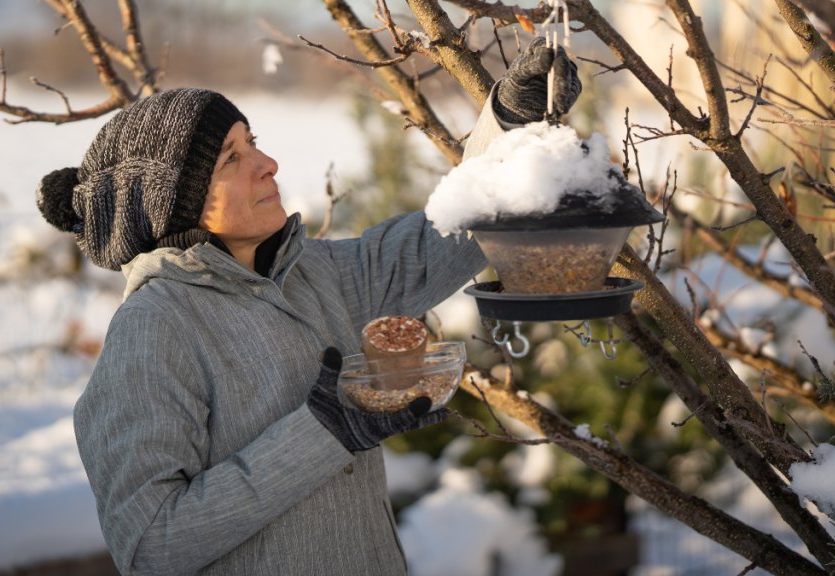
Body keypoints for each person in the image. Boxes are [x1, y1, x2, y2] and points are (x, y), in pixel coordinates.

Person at [36, 37, 580, 576]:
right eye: (232, 159)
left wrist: (513, 125)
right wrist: (326, 430)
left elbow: (440, 240)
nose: (268, 164)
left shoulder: (311, 274)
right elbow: (151, 547)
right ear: (175, 205)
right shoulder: (153, 331)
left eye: (254, 142)